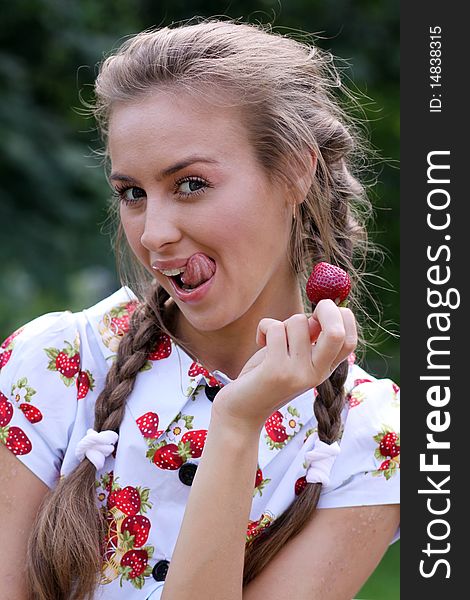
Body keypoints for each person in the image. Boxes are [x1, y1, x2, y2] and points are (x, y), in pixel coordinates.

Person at [0, 18, 400, 600]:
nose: (154, 234)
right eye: (133, 193)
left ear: (294, 169)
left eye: (190, 184)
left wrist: (237, 425)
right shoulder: (52, 366)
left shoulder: (375, 440)